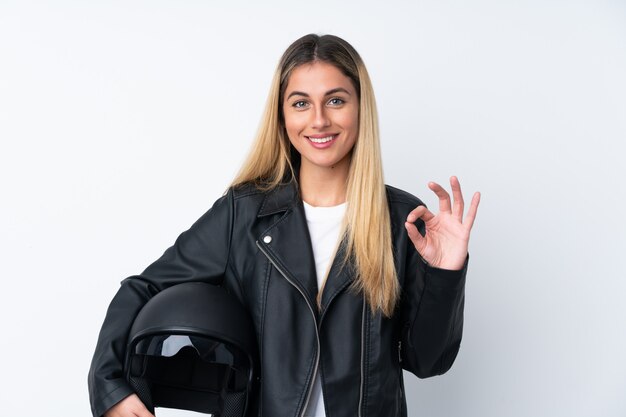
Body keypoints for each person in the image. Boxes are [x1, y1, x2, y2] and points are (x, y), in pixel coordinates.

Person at [88, 33, 480, 417]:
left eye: (336, 101)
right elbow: (144, 288)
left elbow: (429, 361)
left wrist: (445, 274)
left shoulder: (402, 219)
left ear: (361, 108)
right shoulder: (243, 214)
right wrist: (112, 390)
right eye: (300, 103)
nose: (319, 120)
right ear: (282, 115)